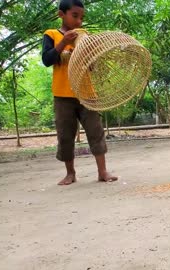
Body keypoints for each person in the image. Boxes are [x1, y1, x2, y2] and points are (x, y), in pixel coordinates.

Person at [42, 0, 117, 185]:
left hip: (87, 93)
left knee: (96, 131)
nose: (79, 21)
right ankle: (70, 174)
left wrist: (92, 55)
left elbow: (92, 67)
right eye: (75, 16)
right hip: (63, 95)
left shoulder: (85, 38)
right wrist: (63, 43)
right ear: (61, 14)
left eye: (82, 17)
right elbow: (47, 59)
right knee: (65, 134)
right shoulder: (51, 34)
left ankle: (102, 172)